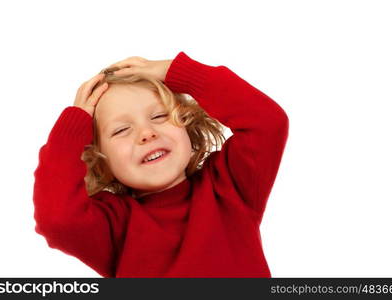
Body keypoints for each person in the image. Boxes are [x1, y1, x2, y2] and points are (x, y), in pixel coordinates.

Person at [32, 51, 289, 278]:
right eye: (121, 130)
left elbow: (267, 122)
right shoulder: (113, 225)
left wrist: (179, 73)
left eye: (159, 116)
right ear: (100, 160)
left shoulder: (229, 187)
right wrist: (75, 123)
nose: (146, 133)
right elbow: (57, 219)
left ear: (187, 124)